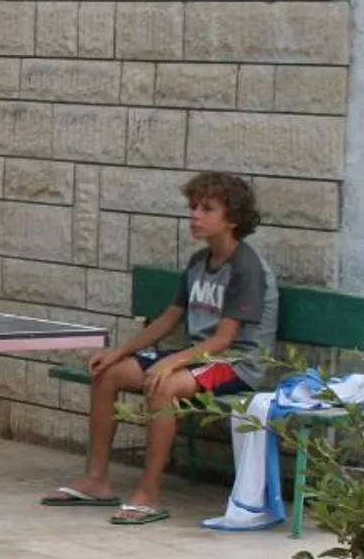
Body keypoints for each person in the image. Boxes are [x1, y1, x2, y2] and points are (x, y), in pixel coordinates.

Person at [41, 172, 280, 527]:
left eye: (206, 209)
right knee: (107, 373)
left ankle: (149, 493)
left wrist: (170, 363)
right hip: (199, 356)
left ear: (232, 218)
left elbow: (224, 340)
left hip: (236, 363)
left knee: (162, 385)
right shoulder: (199, 262)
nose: (195, 216)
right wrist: (119, 352)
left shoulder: (246, 268)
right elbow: (169, 318)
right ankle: (96, 480)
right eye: (193, 207)